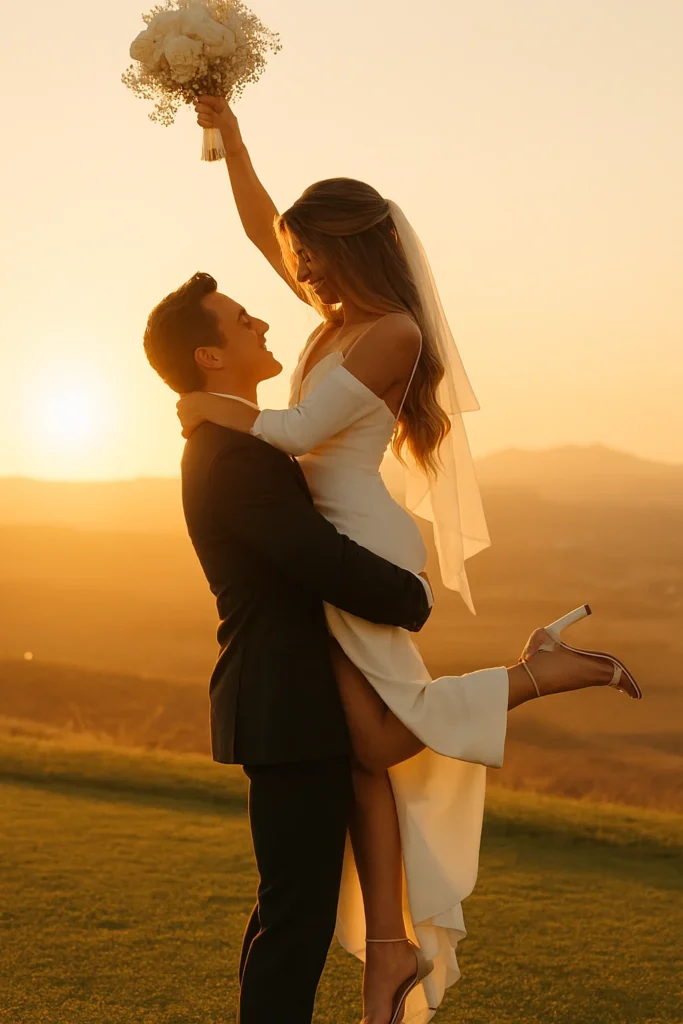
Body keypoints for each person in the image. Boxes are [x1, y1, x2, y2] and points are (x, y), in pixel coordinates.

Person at [176, 98, 642, 1024]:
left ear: (347, 251)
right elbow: (255, 214)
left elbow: (302, 429)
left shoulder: (393, 330)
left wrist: (204, 407)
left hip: (362, 539)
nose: (294, 269)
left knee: (384, 738)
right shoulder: (335, 314)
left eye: (308, 255)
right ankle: (388, 953)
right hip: (334, 534)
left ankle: (536, 673)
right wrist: (223, 126)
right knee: (362, 756)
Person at [143, 272, 435, 1024]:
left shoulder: (235, 441)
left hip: (291, 703)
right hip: (285, 705)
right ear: (210, 357)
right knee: (295, 919)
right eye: (242, 321)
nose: (262, 324)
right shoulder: (232, 456)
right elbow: (317, 558)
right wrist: (411, 597)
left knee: (289, 906)